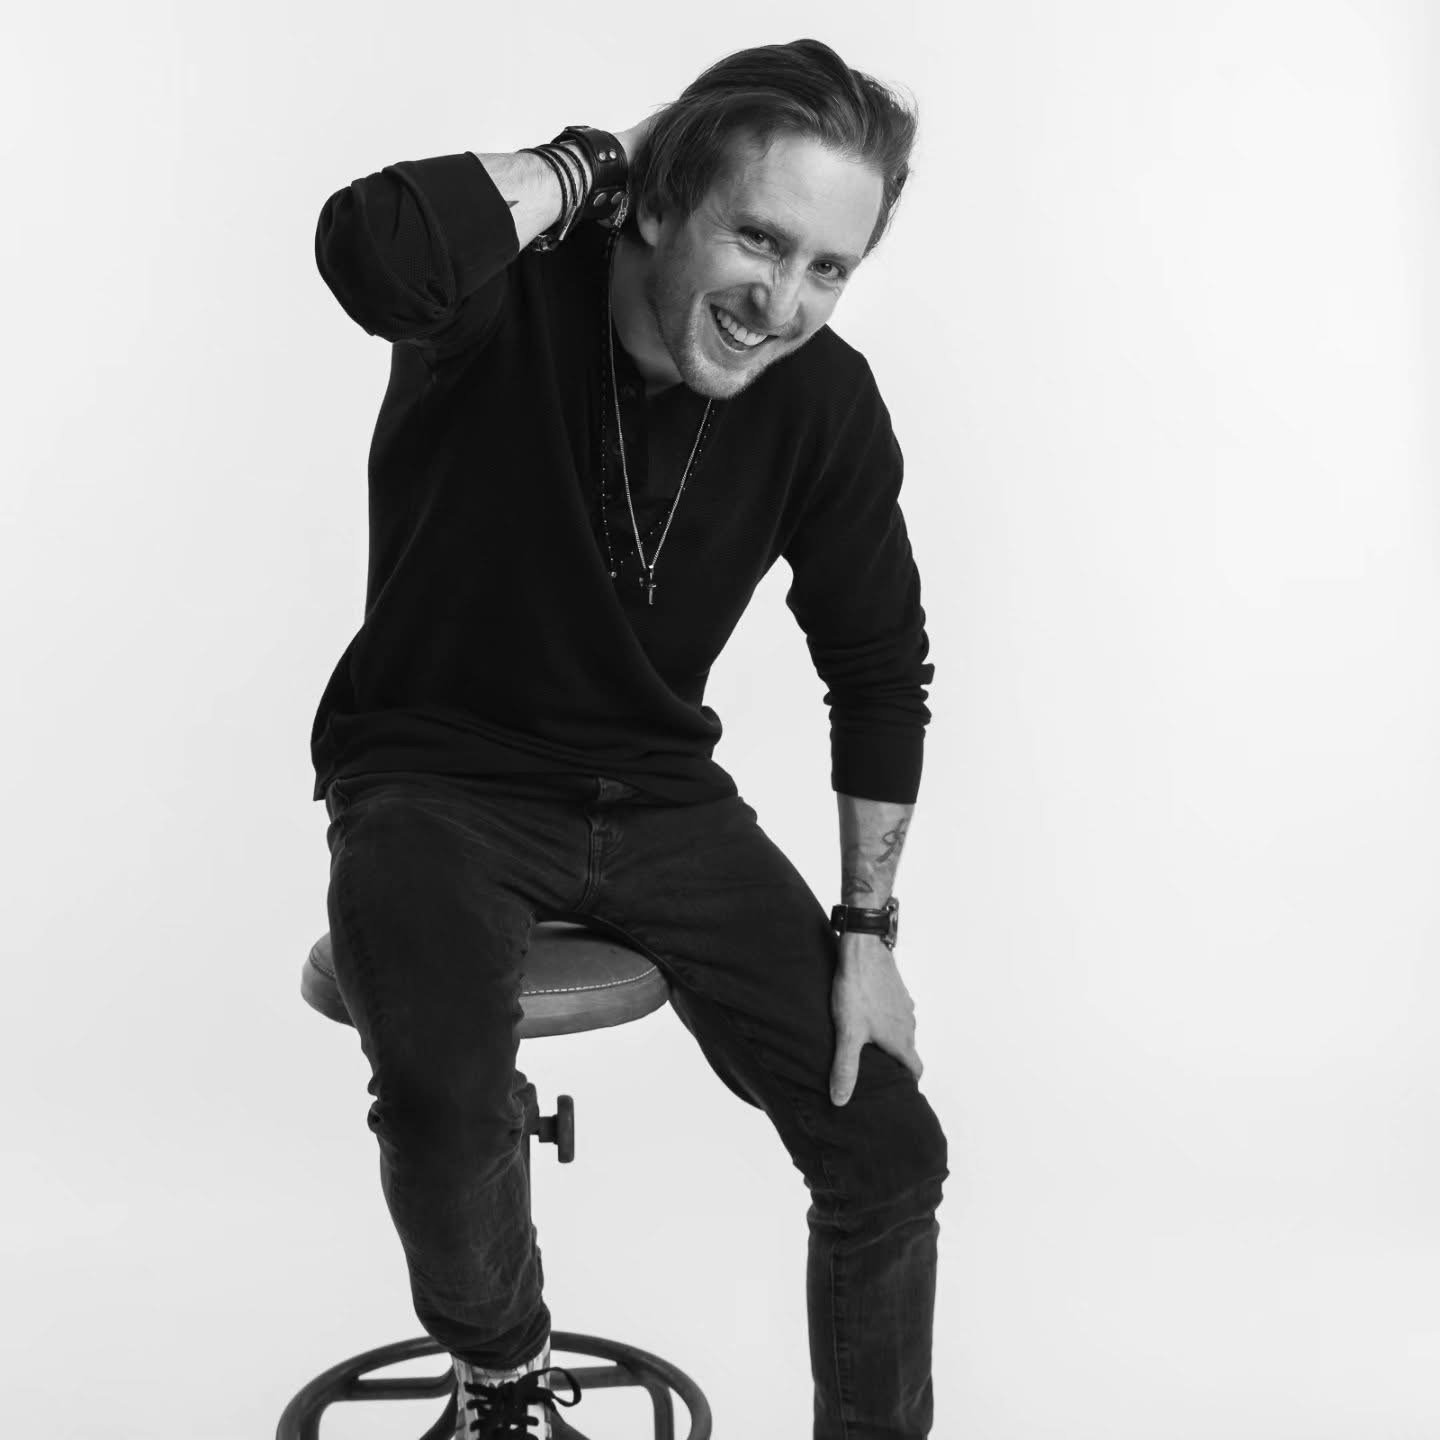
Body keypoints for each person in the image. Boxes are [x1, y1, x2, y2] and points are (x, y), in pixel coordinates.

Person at [311, 36, 949, 1440]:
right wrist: (586, 163)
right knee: (442, 1097)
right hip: (433, 780)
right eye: (759, 239)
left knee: (889, 1144)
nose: (782, 303)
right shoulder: (501, 300)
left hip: (661, 801)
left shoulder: (825, 402)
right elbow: (373, 251)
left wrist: (865, 931)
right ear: (663, 207)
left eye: (828, 269)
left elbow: (878, 662)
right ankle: (502, 1368)